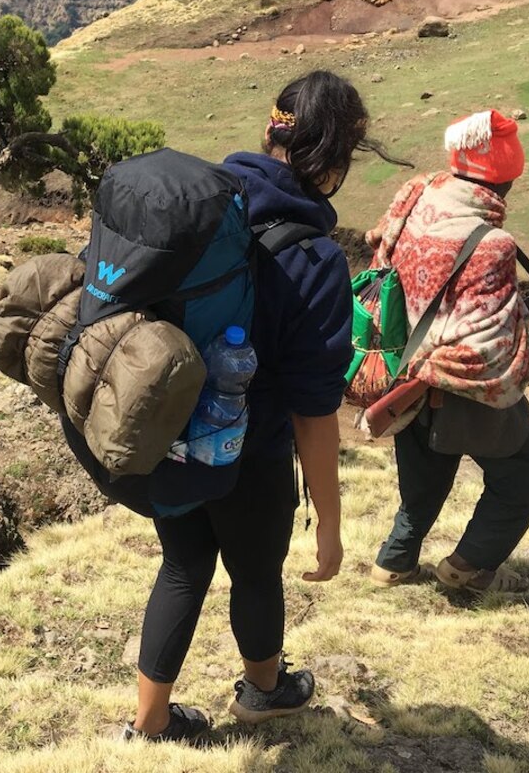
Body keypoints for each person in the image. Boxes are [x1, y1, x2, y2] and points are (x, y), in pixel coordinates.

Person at [124, 70, 393, 744]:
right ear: (330, 163)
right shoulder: (316, 258)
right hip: (252, 453)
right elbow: (313, 411)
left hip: (170, 432)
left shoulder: (204, 208)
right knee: (255, 574)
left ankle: (149, 723)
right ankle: (265, 692)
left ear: (271, 133)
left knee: (183, 566)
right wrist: (330, 524)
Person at [366, 109, 529, 595]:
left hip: (402, 374)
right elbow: (488, 341)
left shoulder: (417, 198)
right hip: (455, 386)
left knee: (423, 481)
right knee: (522, 470)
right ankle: (467, 568)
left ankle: (393, 564)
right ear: (505, 180)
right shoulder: (495, 244)